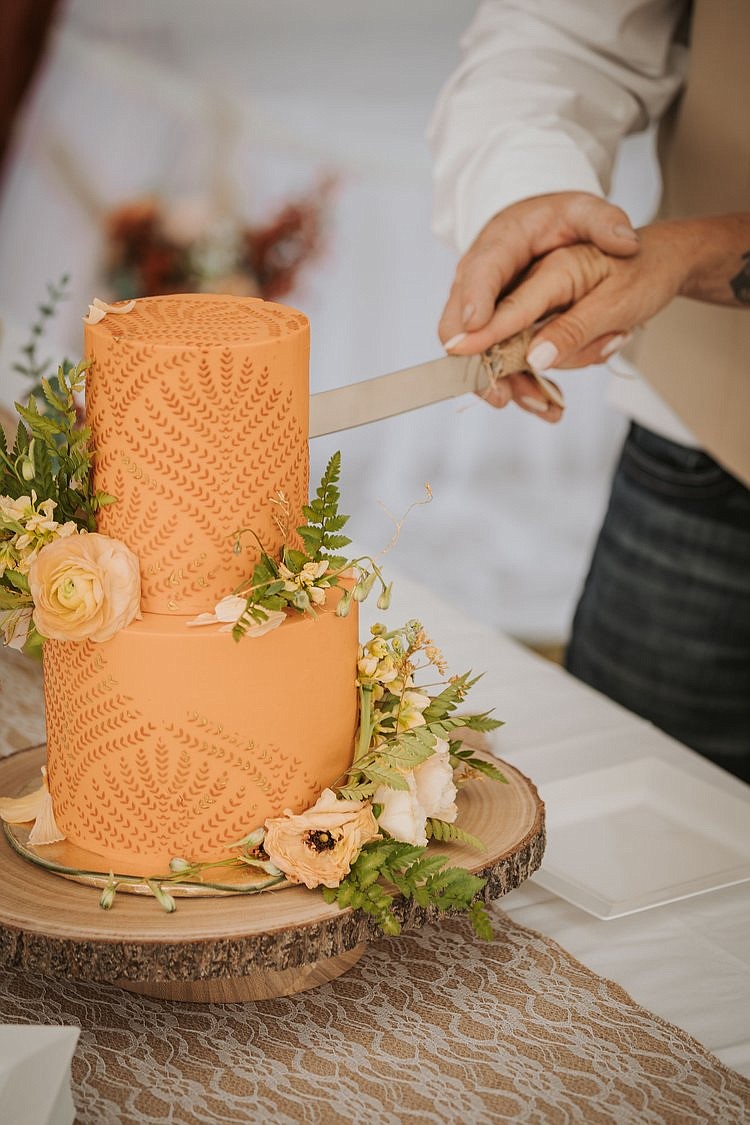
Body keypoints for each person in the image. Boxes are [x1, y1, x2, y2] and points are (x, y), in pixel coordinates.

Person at [429, 0, 750, 781]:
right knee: (620, 813)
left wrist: (688, 255)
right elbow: (563, 30)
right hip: (707, 449)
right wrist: (532, 199)